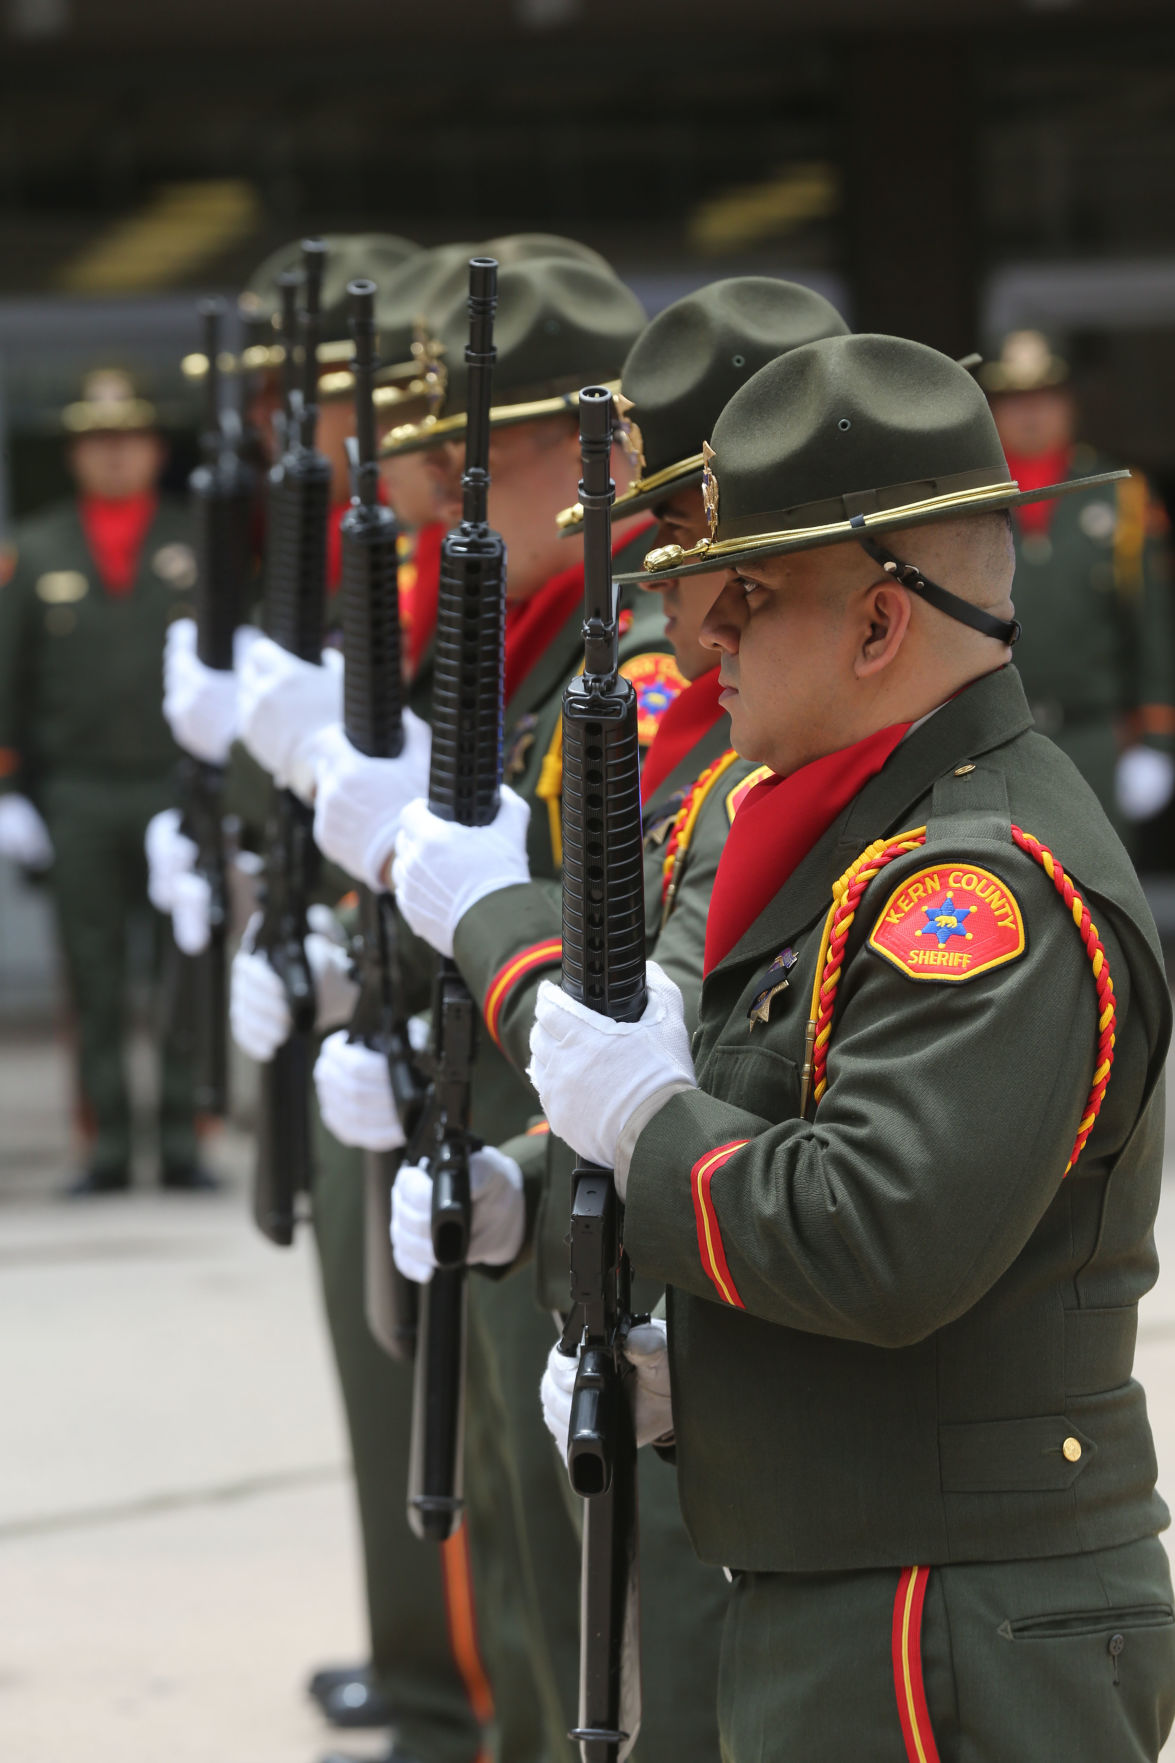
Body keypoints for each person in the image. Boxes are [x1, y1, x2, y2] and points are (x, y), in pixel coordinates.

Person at [527, 332, 1175, 1762]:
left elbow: (874, 1234)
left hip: (943, 1623)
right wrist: (696, 1371)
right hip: (866, 1581)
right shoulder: (868, 840)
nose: (704, 632)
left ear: (880, 625)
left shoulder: (979, 886)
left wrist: (645, 1123)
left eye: (749, 594)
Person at [380, 274, 850, 1763]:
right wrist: (521, 1173)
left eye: (692, 528)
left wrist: (489, 924)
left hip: (760, 1318)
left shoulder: (792, 755)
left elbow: (696, 1038)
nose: (669, 575)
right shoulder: (719, 733)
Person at [0, 368, 207, 1194]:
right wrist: (10, 788)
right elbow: (9, 676)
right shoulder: (36, 548)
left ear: (154, 449)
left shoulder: (197, 539)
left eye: (128, 439)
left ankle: (183, 1137)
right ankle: (108, 1143)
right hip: (79, 789)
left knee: (182, 963)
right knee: (92, 971)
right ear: (76, 454)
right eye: (97, 441)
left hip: (176, 784)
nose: (114, 454)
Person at [982, 329, 1175, 837]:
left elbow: (1152, 626)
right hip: (992, 741)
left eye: (1045, 397)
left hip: (1095, 739)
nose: (1031, 413)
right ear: (992, 409)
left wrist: (1158, 739)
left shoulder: (1120, 494)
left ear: (1069, 403)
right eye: (1014, 400)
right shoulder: (969, 502)